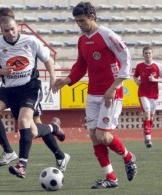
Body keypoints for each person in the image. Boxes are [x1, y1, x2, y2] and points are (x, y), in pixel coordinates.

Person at [53, 2, 137, 189]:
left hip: (111, 92)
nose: (79, 25)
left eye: (82, 21)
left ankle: (129, 157)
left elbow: (126, 60)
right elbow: (81, 66)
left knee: (103, 135)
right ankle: (111, 178)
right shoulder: (82, 40)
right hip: (93, 93)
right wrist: (65, 80)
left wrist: (114, 87)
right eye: (76, 22)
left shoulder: (108, 35)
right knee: (93, 135)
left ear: (92, 16)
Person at [0, 15, 70, 178]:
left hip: (29, 88)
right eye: (6, 30)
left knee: (26, 124)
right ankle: (11, 151)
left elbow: (47, 59)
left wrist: (53, 78)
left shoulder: (30, 41)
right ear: (0, 29)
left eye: (12, 29)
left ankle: (22, 165)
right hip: (8, 89)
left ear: (17, 26)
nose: (10, 33)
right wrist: (2, 71)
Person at [133, 46, 162, 148]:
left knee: (151, 117)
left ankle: (146, 131)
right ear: (143, 55)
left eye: (149, 53)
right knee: (147, 113)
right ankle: (148, 138)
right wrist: (136, 81)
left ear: (152, 54)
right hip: (143, 93)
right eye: (146, 53)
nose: (148, 55)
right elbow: (135, 76)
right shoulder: (139, 66)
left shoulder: (157, 66)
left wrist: (155, 80)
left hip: (154, 94)